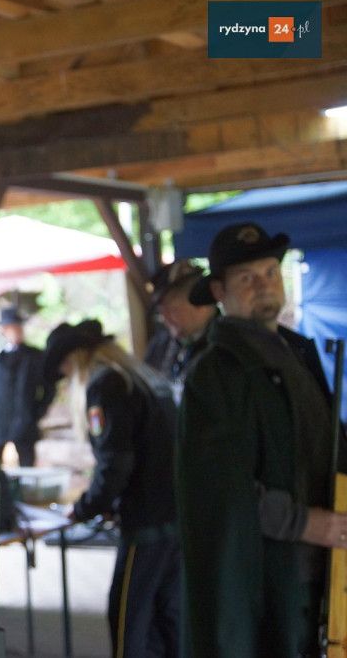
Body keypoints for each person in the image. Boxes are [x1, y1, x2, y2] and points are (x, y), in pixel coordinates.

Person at [177, 222, 347, 657]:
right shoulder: (215, 374)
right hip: (268, 589)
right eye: (247, 278)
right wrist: (304, 523)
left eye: (270, 272)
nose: (264, 285)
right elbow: (218, 488)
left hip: (319, 576)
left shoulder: (296, 354)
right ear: (219, 291)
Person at [45, 319, 180, 658]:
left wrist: (85, 507)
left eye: (64, 368)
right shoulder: (143, 380)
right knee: (168, 620)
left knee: (128, 620)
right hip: (175, 516)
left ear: (75, 359)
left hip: (145, 521)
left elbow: (115, 462)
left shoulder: (106, 386)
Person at [0, 306, 53, 467]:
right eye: (13, 327)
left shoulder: (35, 356)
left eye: (19, 327)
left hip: (25, 423)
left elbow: (49, 386)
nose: (18, 331)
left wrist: (37, 411)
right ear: (4, 329)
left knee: (27, 466)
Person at [142, 260, 218, 403]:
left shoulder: (225, 346)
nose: (165, 318)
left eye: (172, 310)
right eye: (161, 312)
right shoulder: (161, 346)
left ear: (201, 304)